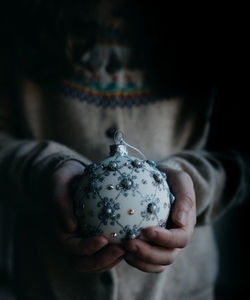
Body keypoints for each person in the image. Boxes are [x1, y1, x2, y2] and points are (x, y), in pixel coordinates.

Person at [0, 1, 248, 299]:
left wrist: (194, 181)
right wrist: (43, 169)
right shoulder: (14, 19)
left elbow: (240, 156)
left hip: (179, 289)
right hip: (49, 286)